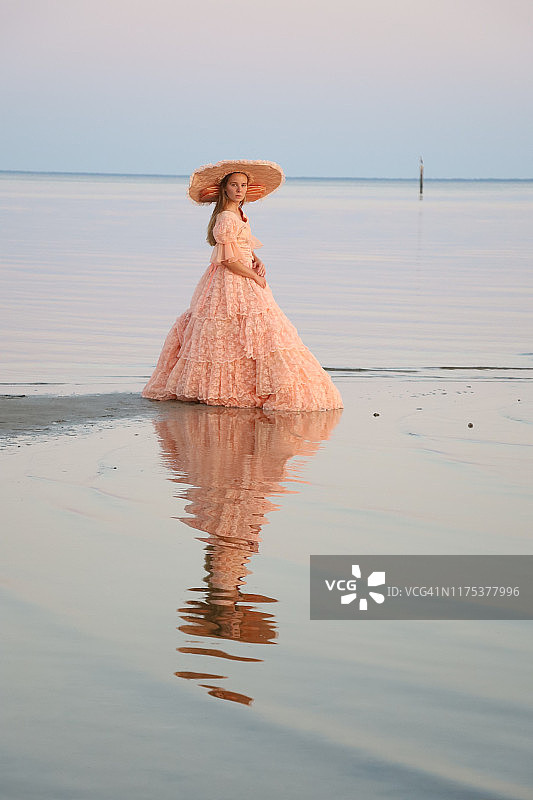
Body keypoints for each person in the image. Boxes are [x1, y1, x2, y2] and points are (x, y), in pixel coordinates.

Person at [142, 159, 343, 412]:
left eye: (243, 185)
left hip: (244, 276)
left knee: (255, 332)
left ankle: (250, 384)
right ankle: (226, 387)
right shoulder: (226, 217)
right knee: (240, 331)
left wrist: (257, 260)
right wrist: (253, 276)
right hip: (232, 282)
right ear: (224, 188)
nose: (239, 190)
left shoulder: (240, 214)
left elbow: (242, 248)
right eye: (234, 185)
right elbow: (227, 261)